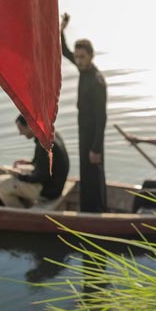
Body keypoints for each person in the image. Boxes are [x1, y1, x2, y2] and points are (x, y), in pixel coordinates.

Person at [61, 12, 107, 212]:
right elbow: (64, 51)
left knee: (94, 171)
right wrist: (62, 29)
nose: (78, 60)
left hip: (93, 133)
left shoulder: (97, 81)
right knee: (85, 172)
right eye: (77, 57)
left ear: (91, 56)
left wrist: (96, 148)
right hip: (83, 128)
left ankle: (97, 211)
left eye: (82, 57)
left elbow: (102, 117)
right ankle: (88, 208)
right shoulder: (83, 70)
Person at [0, 115, 70, 208]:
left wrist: (17, 175)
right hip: (56, 186)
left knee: (0, 183)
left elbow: (38, 177)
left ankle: (19, 214)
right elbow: (48, 163)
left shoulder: (43, 145)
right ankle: (28, 204)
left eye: (21, 129)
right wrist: (29, 162)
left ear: (30, 126)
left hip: (48, 192)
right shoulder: (53, 134)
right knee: (23, 172)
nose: (20, 133)